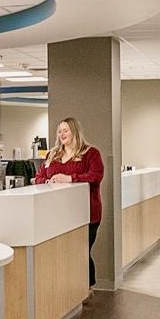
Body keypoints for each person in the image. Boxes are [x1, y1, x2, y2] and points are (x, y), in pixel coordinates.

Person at [33, 117, 105, 288]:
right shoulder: (53, 154)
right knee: (64, 253)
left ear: (74, 132)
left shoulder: (90, 153)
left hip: (86, 213)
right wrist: (47, 182)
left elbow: (96, 176)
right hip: (58, 215)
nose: (61, 134)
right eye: (59, 131)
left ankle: (87, 287)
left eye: (65, 130)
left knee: (81, 252)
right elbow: (38, 177)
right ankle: (71, 291)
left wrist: (70, 178)